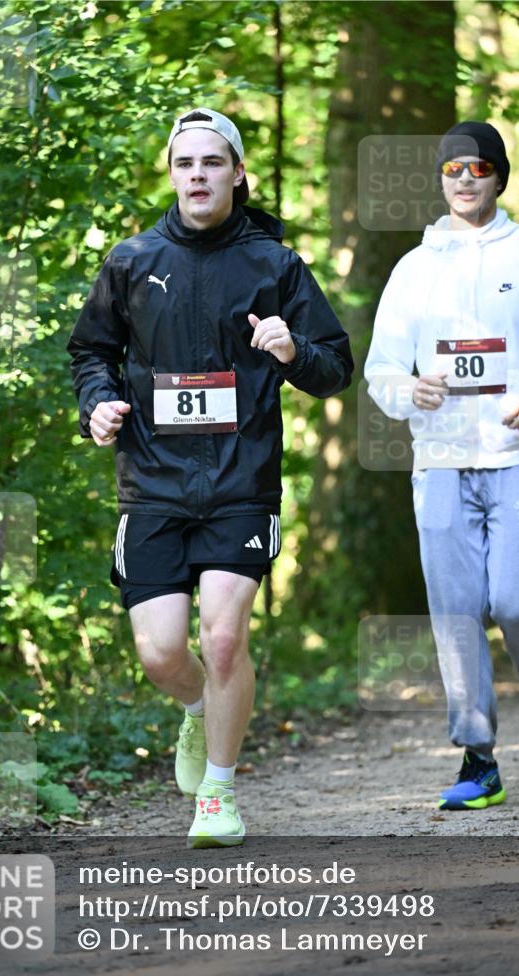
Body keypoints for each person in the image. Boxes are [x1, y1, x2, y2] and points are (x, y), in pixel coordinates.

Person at [67, 108, 353, 845]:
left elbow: (333, 369)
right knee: (162, 652)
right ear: (172, 174)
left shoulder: (274, 266)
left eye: (211, 162)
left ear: (236, 174)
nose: (197, 174)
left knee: (223, 641)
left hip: (239, 483)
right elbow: (90, 352)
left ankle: (218, 796)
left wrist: (293, 352)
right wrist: (98, 405)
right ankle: (199, 711)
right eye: (184, 163)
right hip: (153, 484)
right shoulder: (130, 262)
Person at [365, 121, 519, 810]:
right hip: (440, 459)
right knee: (453, 611)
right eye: (452, 169)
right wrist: (406, 391)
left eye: (477, 166)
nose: (464, 177)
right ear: (441, 180)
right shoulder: (413, 269)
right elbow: (382, 369)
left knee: (514, 600)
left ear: (499, 177)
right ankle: (476, 760)